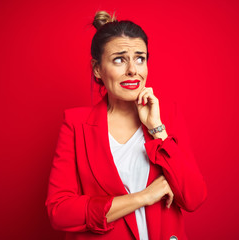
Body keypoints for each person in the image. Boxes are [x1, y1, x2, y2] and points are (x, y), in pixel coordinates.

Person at [45, 11, 207, 240]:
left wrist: (157, 129)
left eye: (140, 58)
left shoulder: (167, 117)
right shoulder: (76, 125)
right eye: (119, 59)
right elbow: (60, 212)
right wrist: (144, 197)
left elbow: (194, 197)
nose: (133, 70)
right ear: (97, 69)